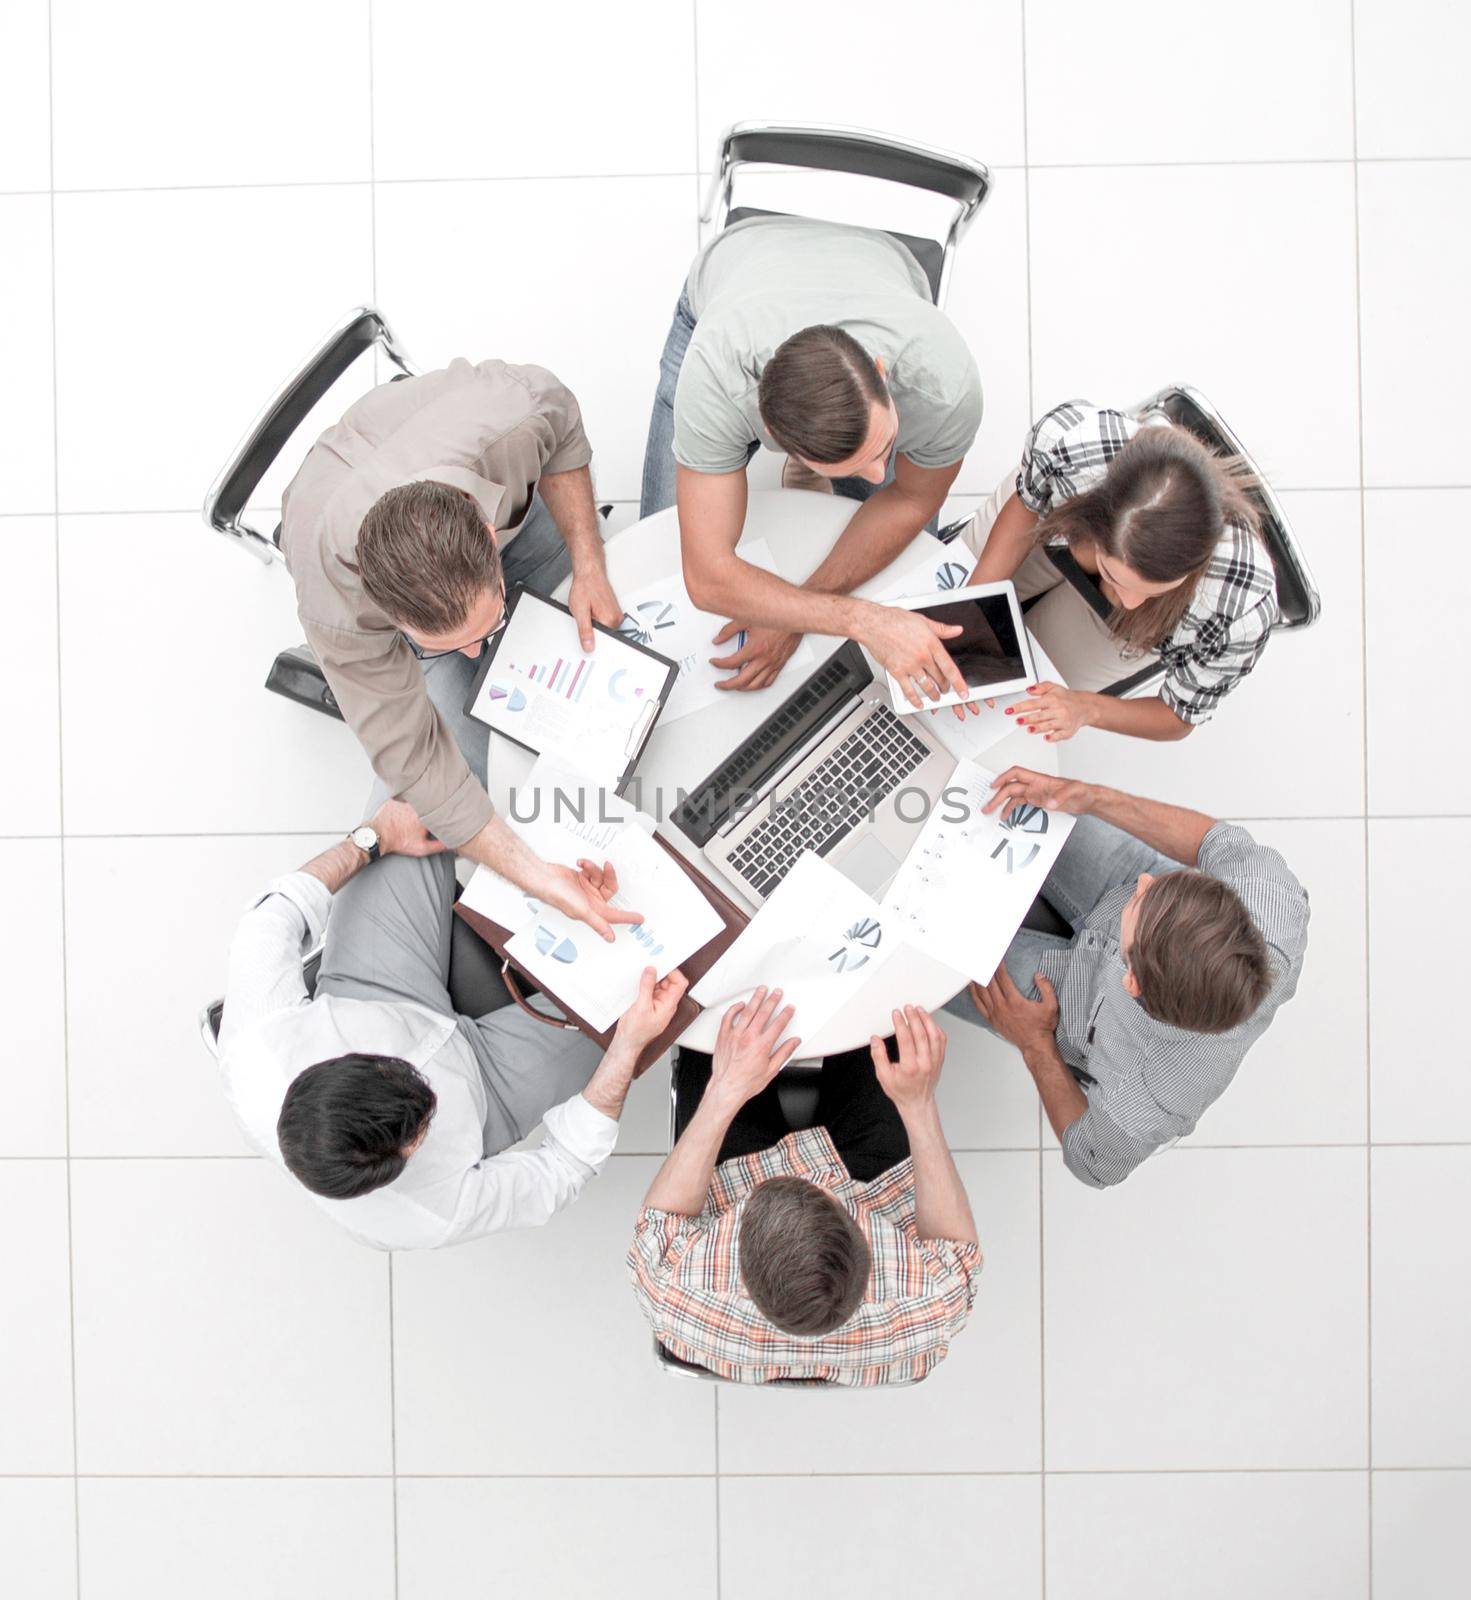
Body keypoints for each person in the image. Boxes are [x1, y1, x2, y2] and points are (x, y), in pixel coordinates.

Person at [217, 790, 687, 1250]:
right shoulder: (422, 1216)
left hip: (374, 989)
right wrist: (628, 1048)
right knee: (658, 985)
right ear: (402, 1162)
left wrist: (372, 838)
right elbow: (562, 1170)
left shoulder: (258, 1052)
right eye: (423, 1124)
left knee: (419, 792)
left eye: (394, 1069)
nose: (421, 1075)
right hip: (489, 1089)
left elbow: (270, 918)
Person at [280, 357, 630, 938]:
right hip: (328, 505)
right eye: (450, 645)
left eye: (483, 631)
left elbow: (564, 423)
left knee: (585, 600)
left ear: (490, 536)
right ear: (387, 621)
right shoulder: (338, 609)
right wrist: (542, 878)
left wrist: (588, 560)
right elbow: (422, 768)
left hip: (446, 451)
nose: (480, 659)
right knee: (467, 751)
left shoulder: (513, 418)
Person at [641, 214, 985, 708]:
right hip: (732, 279)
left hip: (878, 258)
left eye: (884, 446)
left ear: (882, 375)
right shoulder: (718, 377)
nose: (876, 477)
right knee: (655, 556)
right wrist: (858, 619)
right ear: (768, 438)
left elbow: (909, 496)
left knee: (908, 561)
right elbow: (706, 576)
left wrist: (794, 615)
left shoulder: (946, 386)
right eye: (850, 466)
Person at [955, 766, 1309, 1189]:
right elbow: (1211, 841)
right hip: (1112, 890)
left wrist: (1035, 1046)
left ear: (1132, 982)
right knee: (1006, 793)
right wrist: (1094, 797)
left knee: (928, 953)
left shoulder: (1151, 1098)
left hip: (1066, 1011)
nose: (1146, 882)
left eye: (1144, 897)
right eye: (1159, 887)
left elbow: (1092, 1162)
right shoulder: (1267, 900)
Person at [628, 988, 981, 1385]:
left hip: (734, 1181)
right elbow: (955, 1247)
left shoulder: (675, 1295)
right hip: (868, 1187)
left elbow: (664, 1218)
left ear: (737, 1255)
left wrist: (725, 1090)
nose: (812, 1174)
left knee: (712, 1024)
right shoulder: (928, 1308)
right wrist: (919, 1105)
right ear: (864, 1244)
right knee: (883, 1015)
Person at [961, 398, 1278, 743]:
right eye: (1114, 576)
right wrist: (973, 603)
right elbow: (1027, 504)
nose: (1129, 601)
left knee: (1023, 695)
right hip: (1051, 531)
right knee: (952, 589)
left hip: (1135, 632)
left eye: (1155, 589)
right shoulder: (1072, 444)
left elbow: (1179, 715)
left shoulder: (1240, 610)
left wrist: (1085, 708)